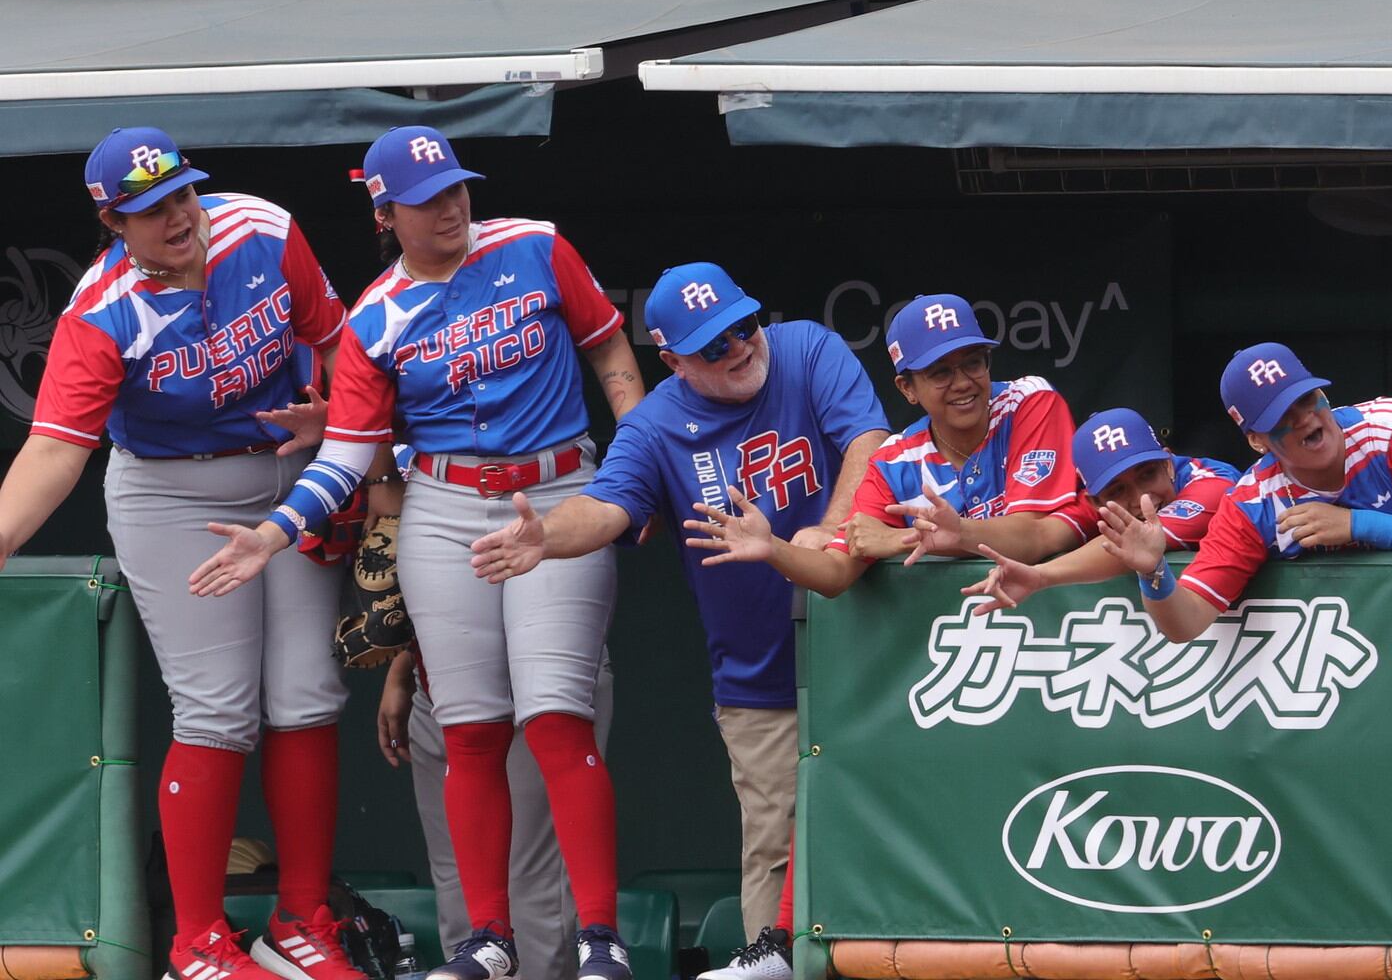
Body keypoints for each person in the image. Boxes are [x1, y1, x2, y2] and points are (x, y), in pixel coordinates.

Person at [187, 126, 645, 980]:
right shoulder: (374, 314)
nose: (451, 205)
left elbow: (610, 348)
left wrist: (629, 467)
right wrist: (276, 531)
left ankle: (600, 936)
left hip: (554, 488)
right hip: (441, 502)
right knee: (470, 729)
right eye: (428, 198)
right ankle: (487, 940)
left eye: (457, 187)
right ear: (387, 213)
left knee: (554, 716)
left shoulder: (535, 245)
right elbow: (349, 454)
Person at [0, 128, 364, 980]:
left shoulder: (263, 230)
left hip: (289, 471)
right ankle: (198, 939)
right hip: (172, 495)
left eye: (180, 195)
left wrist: (346, 435)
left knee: (308, 690)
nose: (175, 217)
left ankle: (301, 920)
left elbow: (344, 345)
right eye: (148, 209)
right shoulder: (102, 309)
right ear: (112, 222)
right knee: (215, 710)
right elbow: (55, 450)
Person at [464, 261, 890, 971]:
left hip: (870, 645)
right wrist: (546, 536)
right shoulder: (659, 421)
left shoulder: (808, 349)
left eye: (743, 326)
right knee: (775, 844)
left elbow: (869, 441)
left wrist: (833, 530)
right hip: (760, 674)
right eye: (713, 345)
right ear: (673, 361)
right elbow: (605, 506)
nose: (739, 348)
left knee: (890, 823)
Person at [680, 292, 1086, 599]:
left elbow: (1036, 536)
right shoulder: (893, 461)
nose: (962, 382)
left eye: (973, 362)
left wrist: (922, 539)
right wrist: (773, 548)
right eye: (939, 372)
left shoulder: (1027, 402)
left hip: (1064, 616)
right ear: (907, 388)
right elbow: (837, 571)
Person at [1084, 342, 1392, 644]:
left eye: (1306, 399)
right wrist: (1153, 572)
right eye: (1280, 417)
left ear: (1322, 393)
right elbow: (1187, 622)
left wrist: (1360, 525)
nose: (1304, 418)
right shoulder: (1251, 505)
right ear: (1257, 441)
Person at [379, 646, 617, 980]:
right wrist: (402, 670)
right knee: (459, 893)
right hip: (437, 682)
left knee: (532, 892)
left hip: (535, 678)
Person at [961, 406, 1240, 614]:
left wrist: (1043, 575)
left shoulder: (1215, 483)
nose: (1140, 498)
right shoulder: (1099, 505)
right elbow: (1041, 534)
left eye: (1146, 475)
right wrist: (960, 533)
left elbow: (1140, 541)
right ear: (1094, 502)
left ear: (1167, 463)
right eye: (1117, 490)